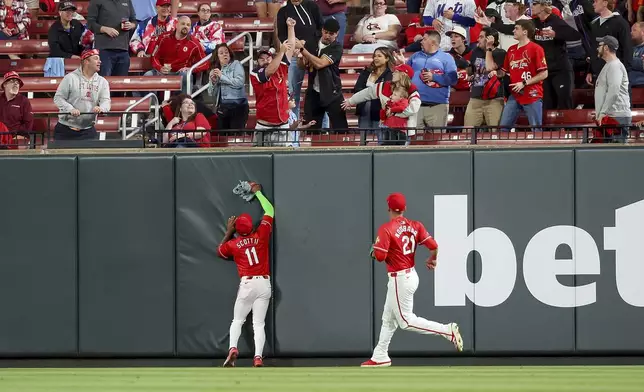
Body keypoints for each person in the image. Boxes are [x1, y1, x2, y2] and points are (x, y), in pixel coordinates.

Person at [361, 192, 463, 368]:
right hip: (410, 275)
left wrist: (373, 250)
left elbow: (379, 256)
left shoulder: (386, 228)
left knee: (405, 321)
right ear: (404, 209)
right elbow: (434, 246)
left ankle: (447, 331)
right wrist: (433, 259)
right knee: (388, 319)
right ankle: (380, 355)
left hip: (399, 279)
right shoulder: (415, 225)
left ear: (388, 208)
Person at [218, 182, 274, 368]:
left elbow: (220, 252)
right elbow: (269, 210)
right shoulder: (262, 234)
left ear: (238, 230)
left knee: (238, 320)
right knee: (259, 324)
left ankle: (233, 348)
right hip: (264, 283)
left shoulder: (234, 244)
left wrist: (228, 232)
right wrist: (258, 193)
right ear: (251, 226)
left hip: (247, 284)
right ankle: (258, 357)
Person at [395, 30, 458, 129]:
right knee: (415, 141)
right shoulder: (415, 56)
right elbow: (406, 77)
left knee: (437, 141)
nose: (421, 41)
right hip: (415, 105)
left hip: (437, 106)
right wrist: (402, 65)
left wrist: (434, 77)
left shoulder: (446, 58)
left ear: (433, 42)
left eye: (424, 39)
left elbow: (453, 79)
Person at [343, 64, 421, 143]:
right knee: (383, 152)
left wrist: (392, 113)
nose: (393, 73)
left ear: (403, 75)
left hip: (404, 130)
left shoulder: (412, 90)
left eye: (396, 72)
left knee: (400, 153)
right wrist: (350, 101)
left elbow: (413, 109)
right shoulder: (384, 86)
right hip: (386, 127)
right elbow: (367, 93)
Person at [250, 17, 296, 145]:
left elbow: (291, 47)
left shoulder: (281, 67)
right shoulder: (255, 73)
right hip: (264, 126)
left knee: (285, 162)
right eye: (261, 59)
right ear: (257, 62)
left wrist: (291, 27)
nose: (265, 60)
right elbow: (269, 71)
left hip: (283, 125)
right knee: (259, 162)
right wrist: (280, 52)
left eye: (267, 58)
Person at [297, 17, 348, 129]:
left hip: (332, 92)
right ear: (322, 30)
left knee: (341, 129)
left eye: (331, 33)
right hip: (313, 92)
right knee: (311, 128)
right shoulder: (312, 42)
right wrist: (300, 56)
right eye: (326, 32)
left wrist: (303, 50)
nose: (327, 36)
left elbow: (320, 64)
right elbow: (302, 65)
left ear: (337, 34)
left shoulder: (336, 47)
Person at [276, 0, 324, 119]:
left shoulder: (312, 6)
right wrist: (293, 47)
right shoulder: (283, 11)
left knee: (320, 93)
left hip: (314, 54)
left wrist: (305, 44)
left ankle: (323, 129)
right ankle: (294, 129)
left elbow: (320, 29)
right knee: (292, 95)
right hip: (294, 55)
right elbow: (282, 35)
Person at [497, 19, 548, 129]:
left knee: (536, 129)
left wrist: (524, 83)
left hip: (532, 94)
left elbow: (544, 74)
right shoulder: (511, 50)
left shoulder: (536, 49)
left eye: (516, 28)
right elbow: (503, 73)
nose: (513, 31)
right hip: (515, 94)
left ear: (525, 32)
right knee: (503, 128)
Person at [532, 0, 581, 110]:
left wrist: (556, 34)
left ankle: (569, 127)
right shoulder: (533, 23)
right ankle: (550, 128)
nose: (532, 6)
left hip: (560, 69)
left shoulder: (555, 21)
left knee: (564, 100)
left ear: (543, 6)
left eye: (535, 4)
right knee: (547, 104)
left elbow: (575, 35)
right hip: (543, 70)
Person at [53, 48, 111, 140]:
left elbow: (106, 101)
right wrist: (70, 109)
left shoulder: (103, 82)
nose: (100, 61)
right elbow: (58, 98)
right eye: (96, 58)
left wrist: (102, 108)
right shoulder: (70, 78)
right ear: (86, 61)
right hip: (65, 130)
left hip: (88, 130)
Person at [149, 16, 209, 94]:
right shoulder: (163, 37)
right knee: (148, 75)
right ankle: (151, 104)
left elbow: (205, 63)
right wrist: (160, 68)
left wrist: (191, 69)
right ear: (176, 25)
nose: (185, 26)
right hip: (163, 71)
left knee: (186, 75)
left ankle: (184, 102)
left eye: (188, 25)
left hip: (180, 73)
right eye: (183, 24)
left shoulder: (194, 43)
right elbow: (154, 57)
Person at [464, 27, 506, 127]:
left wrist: (489, 48)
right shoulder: (476, 52)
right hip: (475, 98)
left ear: (490, 39)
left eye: (481, 37)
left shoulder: (501, 53)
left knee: (495, 133)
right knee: (467, 133)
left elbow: (489, 67)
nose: (478, 39)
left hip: (494, 100)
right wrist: (470, 73)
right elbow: (471, 70)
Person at [593, 35, 631, 142]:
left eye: (599, 45)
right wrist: (600, 112)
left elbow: (613, 92)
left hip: (616, 116)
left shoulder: (614, 66)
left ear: (606, 48)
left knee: (617, 155)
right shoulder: (609, 65)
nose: (597, 48)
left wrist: (603, 113)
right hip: (611, 115)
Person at [587, 0, 632, 86]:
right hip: (599, 74)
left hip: (616, 74)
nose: (593, 4)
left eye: (596, 1)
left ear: (605, 3)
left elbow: (627, 50)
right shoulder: (594, 25)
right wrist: (590, 71)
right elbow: (593, 49)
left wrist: (624, 73)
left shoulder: (621, 23)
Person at [352, 47, 394, 140]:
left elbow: (386, 92)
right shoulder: (366, 72)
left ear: (387, 58)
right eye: (374, 56)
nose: (376, 58)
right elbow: (357, 88)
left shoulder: (390, 74)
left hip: (379, 110)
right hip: (363, 108)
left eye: (379, 56)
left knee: (381, 138)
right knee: (363, 138)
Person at [208, 43, 249, 130]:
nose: (225, 54)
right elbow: (211, 93)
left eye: (226, 52)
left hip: (238, 107)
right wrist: (213, 82)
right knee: (222, 137)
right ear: (217, 56)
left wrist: (222, 76)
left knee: (235, 137)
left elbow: (239, 82)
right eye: (221, 53)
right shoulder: (215, 70)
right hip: (222, 108)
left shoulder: (236, 64)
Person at [0, 72, 33, 136]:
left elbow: (28, 123)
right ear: (5, 84)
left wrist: (20, 136)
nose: (16, 83)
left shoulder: (24, 101)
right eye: (12, 81)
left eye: (18, 82)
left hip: (16, 137)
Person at [447, 26, 474, 92]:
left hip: (471, 88)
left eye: (456, 36)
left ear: (463, 39)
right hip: (454, 89)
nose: (453, 39)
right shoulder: (447, 56)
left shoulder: (473, 53)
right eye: (451, 37)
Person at [630, 21, 644, 87]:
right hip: (628, 86)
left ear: (643, 33)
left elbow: (642, 64)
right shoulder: (630, 48)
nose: (631, 33)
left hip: (640, 85)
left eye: (634, 30)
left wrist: (626, 58)